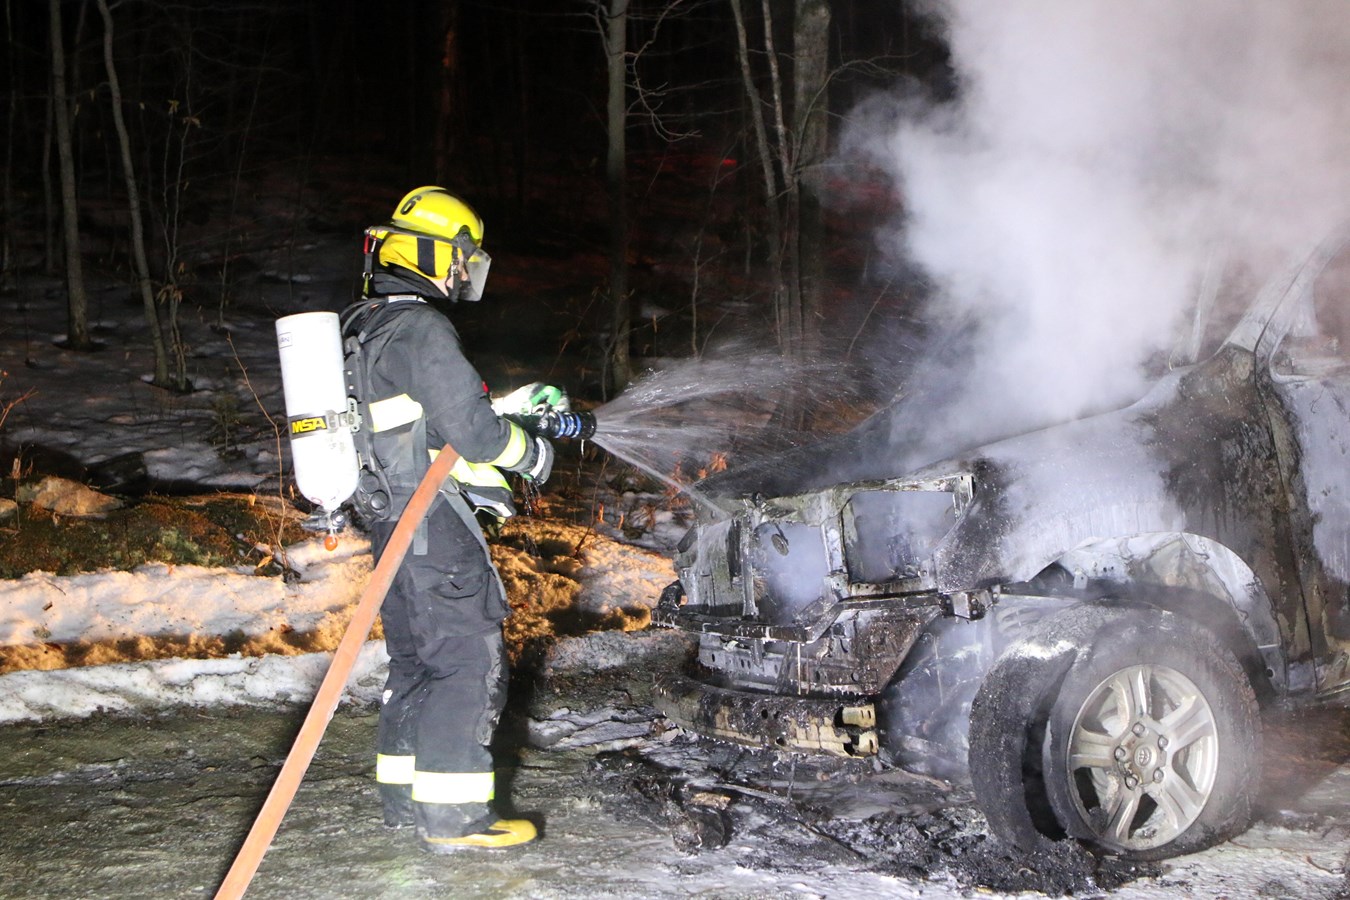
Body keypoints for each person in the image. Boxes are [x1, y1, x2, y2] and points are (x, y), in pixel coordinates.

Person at [341, 186, 552, 852]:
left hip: (389, 525)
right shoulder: (421, 328)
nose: (464, 273)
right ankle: (455, 819)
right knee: (465, 660)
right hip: (431, 525)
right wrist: (534, 452)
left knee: (416, 664)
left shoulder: (365, 324)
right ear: (430, 251)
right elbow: (476, 435)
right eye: (461, 258)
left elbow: (419, 423)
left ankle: (405, 805)